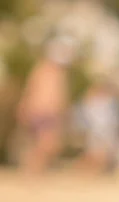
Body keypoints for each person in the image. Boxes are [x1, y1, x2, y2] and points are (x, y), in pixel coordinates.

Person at [16, 34, 77, 175]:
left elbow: (61, 96)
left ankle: (34, 170)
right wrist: (24, 106)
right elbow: (31, 89)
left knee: (49, 144)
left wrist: (64, 111)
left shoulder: (61, 73)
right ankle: (32, 170)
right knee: (46, 143)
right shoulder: (43, 69)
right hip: (40, 110)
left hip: (51, 113)